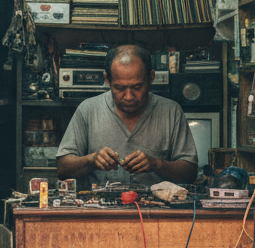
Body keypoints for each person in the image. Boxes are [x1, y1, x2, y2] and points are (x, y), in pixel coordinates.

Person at [56, 43, 198, 187]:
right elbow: (62, 169)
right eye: (119, 88)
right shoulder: (88, 110)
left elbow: (190, 173)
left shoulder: (171, 112)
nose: (129, 96)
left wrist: (157, 164)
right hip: (100, 207)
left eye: (137, 87)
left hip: (155, 207)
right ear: (107, 80)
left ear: (151, 78)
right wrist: (91, 160)